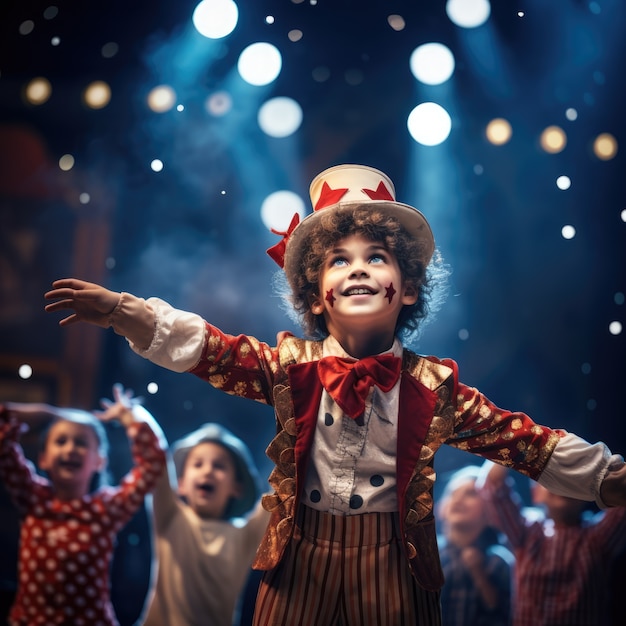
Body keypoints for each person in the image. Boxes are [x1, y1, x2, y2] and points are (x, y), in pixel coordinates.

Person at [43, 163, 626, 626]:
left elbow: (520, 439)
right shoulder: (286, 367)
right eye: (339, 260)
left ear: (409, 289)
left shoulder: (435, 387)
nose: (359, 269)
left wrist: (606, 478)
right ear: (316, 295)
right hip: (300, 558)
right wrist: (124, 309)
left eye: (377, 256)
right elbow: (212, 351)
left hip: (396, 565)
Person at [0, 384, 166, 626]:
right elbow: (3, 444)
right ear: (43, 458)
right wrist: (49, 413)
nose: (70, 449)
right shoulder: (33, 498)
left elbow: (152, 467)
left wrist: (131, 419)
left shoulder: (106, 509)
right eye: (61, 441)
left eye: (80, 443)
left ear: (99, 461)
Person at [141, 419, 269, 626]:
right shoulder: (170, 517)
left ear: (237, 487)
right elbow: (157, 458)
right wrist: (134, 417)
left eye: (219, 465)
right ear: (179, 484)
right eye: (198, 464)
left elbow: (281, 492)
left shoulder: (245, 537)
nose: (207, 471)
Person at [478, 460, 626, 626]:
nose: (562, 485)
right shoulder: (526, 531)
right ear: (536, 493)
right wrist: (523, 441)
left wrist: (599, 461)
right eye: (552, 479)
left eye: (572, 480)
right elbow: (492, 486)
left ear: (589, 493)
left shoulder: (598, 537)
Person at [437, 465, 513, 626]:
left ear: (490, 511)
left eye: (470, 494)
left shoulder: (498, 561)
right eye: (452, 493)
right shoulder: (430, 554)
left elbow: (504, 611)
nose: (458, 499)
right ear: (440, 508)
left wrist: (479, 573)